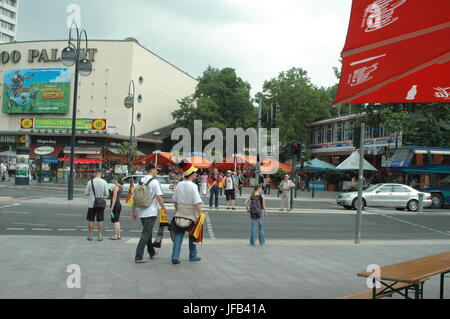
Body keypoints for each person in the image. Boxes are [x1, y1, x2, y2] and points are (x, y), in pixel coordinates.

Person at [132, 163, 166, 264]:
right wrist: (163, 207)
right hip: (151, 211)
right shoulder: (154, 181)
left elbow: (135, 195)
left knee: (148, 233)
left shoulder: (141, 180)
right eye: (156, 169)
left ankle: (151, 252)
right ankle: (138, 256)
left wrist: (133, 211)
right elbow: (159, 196)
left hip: (141, 210)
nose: (157, 171)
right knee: (146, 233)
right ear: (152, 170)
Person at [170, 161, 203, 264]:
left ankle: (175, 256)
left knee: (179, 234)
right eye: (195, 173)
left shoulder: (179, 185)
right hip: (191, 214)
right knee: (192, 234)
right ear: (192, 174)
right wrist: (200, 214)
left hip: (180, 213)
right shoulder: (193, 186)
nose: (196, 174)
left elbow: (175, 201)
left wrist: (178, 210)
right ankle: (192, 255)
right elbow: (196, 202)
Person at [84, 170, 109, 241]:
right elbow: (107, 194)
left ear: (95, 174)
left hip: (91, 204)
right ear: (100, 174)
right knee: (100, 219)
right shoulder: (104, 182)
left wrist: (92, 195)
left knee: (90, 219)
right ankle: (100, 235)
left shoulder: (90, 182)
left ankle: (90, 235)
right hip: (100, 204)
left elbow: (86, 193)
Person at [109, 176, 123, 240]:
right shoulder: (120, 186)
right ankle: (118, 235)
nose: (112, 181)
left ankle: (115, 235)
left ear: (116, 180)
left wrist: (111, 207)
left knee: (115, 221)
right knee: (117, 220)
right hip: (119, 204)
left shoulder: (115, 188)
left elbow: (114, 199)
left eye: (113, 179)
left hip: (115, 205)